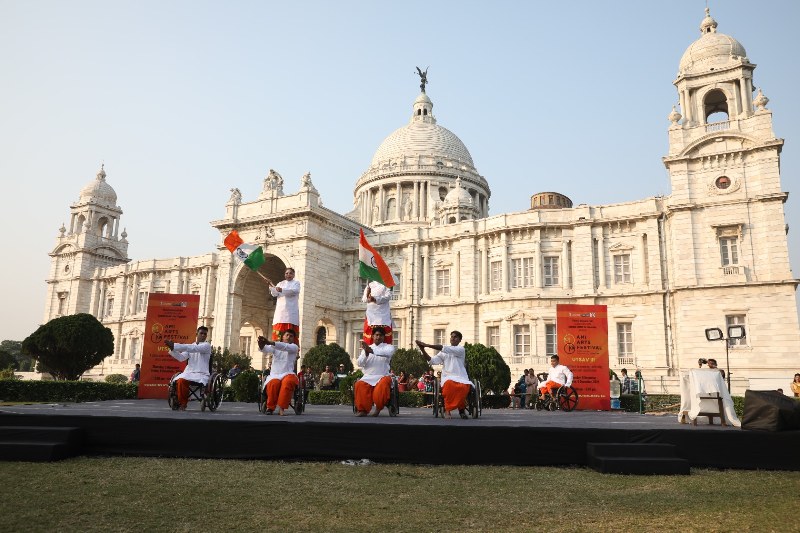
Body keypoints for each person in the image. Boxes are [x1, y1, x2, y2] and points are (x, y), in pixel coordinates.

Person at [416, 331, 472, 419]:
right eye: (452, 337)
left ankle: (461, 409)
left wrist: (427, 345)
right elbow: (432, 361)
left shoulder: (461, 349)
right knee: (449, 385)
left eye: (455, 337)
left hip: (461, 377)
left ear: (460, 340)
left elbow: (444, 348)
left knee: (463, 388)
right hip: (448, 377)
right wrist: (422, 349)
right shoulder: (443, 352)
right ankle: (447, 410)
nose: (453, 338)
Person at [164, 326, 212, 411]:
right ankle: (182, 403)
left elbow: (194, 348)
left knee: (184, 378)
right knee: (180, 380)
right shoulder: (191, 346)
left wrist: (175, 345)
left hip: (201, 374)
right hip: (189, 373)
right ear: (196, 334)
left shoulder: (206, 346)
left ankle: (184, 402)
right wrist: (172, 350)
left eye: (205, 334)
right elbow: (181, 357)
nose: (203, 335)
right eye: (201, 333)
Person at [354, 327, 396, 417]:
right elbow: (359, 363)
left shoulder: (389, 347)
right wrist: (366, 353)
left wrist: (371, 351)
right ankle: (363, 410)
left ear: (383, 337)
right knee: (359, 384)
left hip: (383, 376)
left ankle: (378, 409)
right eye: (376, 335)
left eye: (380, 335)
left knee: (383, 385)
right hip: (368, 377)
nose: (378, 337)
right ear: (372, 336)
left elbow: (387, 353)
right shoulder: (366, 349)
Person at [258, 330, 300, 416]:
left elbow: (284, 347)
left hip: (288, 373)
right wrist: (261, 344)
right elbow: (265, 349)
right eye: (287, 335)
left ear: (293, 339)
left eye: (291, 336)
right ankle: (270, 407)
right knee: (274, 383)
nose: (288, 337)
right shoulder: (275, 346)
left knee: (288, 382)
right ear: (283, 337)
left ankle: (282, 408)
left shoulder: (294, 347)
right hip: (275, 374)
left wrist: (269, 342)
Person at [269, 268, 301, 344]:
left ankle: (293, 351)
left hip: (291, 313)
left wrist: (282, 290)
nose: (288, 275)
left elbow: (294, 291)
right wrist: (271, 286)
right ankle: (276, 350)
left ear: (293, 275)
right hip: (280, 313)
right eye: (286, 273)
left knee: (290, 334)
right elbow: (274, 294)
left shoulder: (296, 283)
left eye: (290, 273)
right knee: (278, 334)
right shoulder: (280, 283)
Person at [362, 280, 393, 345]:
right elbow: (364, 299)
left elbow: (388, 296)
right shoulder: (369, 285)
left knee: (384, 336)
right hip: (371, 314)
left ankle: (384, 353)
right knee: (369, 337)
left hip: (383, 315)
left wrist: (375, 299)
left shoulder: (386, 284)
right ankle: (369, 352)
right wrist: (368, 296)